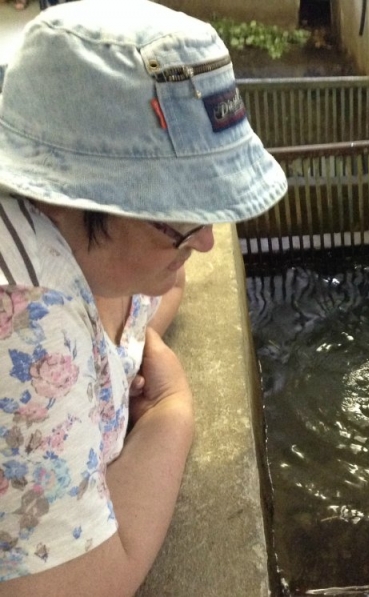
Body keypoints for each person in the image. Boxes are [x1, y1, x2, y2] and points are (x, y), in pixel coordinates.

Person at [0, 1, 287, 595]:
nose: (206, 242)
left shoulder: (93, 247)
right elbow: (83, 582)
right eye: (179, 222)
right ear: (75, 199)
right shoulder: (24, 327)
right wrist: (171, 412)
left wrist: (119, 357)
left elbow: (161, 288)